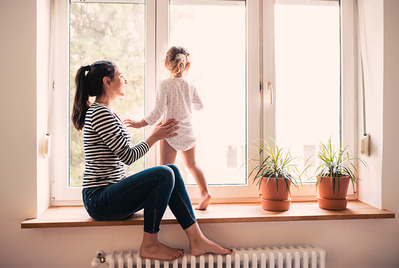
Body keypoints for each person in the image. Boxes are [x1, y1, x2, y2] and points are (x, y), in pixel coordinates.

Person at [71, 60, 232, 261]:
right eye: (121, 76)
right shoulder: (100, 113)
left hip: (110, 194)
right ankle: (150, 244)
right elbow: (128, 156)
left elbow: (121, 154)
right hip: (99, 200)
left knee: (171, 169)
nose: (125, 80)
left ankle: (197, 239)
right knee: (164, 172)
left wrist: (155, 134)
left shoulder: (108, 112)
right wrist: (154, 136)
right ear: (107, 81)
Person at [124, 46, 211, 210]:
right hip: (188, 130)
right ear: (188, 66)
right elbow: (200, 105)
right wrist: (186, 106)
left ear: (166, 65)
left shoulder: (164, 85)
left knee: (165, 170)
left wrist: (139, 123)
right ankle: (205, 193)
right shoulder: (190, 85)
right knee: (192, 164)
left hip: (170, 130)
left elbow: (157, 112)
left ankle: (167, 201)